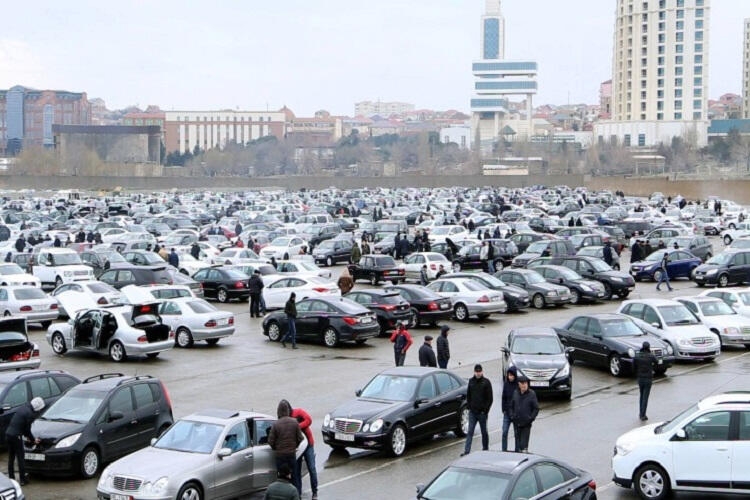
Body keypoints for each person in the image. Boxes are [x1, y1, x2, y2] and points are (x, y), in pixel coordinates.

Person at [280, 401, 318, 499]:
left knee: (312, 469)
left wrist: (297, 426)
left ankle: (315, 492)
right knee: (296, 472)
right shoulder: (283, 419)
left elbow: (309, 420)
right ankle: (298, 494)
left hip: (308, 444)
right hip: (296, 448)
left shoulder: (298, 412)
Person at [268, 400, 305, 495]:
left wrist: (276, 448)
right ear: (288, 411)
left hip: (280, 456)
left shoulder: (276, 424)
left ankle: (282, 496)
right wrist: (294, 446)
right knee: (294, 477)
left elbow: (270, 441)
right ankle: (296, 496)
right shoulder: (294, 422)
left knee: (281, 479)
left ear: (278, 411)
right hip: (291, 454)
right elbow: (301, 438)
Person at [7, 397, 44, 485]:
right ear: (37, 408)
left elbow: (20, 425)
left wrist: (25, 435)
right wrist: (33, 440)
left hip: (8, 434)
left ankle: (11, 479)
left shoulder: (23, 408)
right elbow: (27, 430)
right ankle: (23, 480)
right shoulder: (30, 414)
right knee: (20, 458)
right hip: (16, 437)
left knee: (11, 458)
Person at [462, 364, 493, 456]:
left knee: (484, 432)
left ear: (482, 371)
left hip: (482, 413)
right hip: (473, 412)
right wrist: (470, 407)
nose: (478, 373)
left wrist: (485, 411)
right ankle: (467, 451)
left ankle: (485, 449)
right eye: (477, 371)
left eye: (479, 371)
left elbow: (490, 399)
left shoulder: (486, 382)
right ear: (474, 372)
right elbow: (469, 395)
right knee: (470, 431)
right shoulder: (471, 382)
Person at [511, 375, 539, 453]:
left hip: (526, 424)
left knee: (524, 446)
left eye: (525, 383)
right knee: (518, 445)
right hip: (517, 423)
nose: (524, 385)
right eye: (522, 383)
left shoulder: (531, 394)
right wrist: (512, 416)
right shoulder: (515, 393)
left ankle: (525, 457)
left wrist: (531, 418)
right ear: (519, 384)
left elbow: (536, 408)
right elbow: (511, 406)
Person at [633, 341, 658, 421]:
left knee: (641, 395)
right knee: (645, 397)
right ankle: (643, 415)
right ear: (648, 347)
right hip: (648, 378)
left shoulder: (637, 356)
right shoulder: (651, 356)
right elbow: (657, 362)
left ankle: (641, 412)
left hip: (640, 378)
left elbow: (634, 366)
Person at [501, 366, 518, 452]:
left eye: (511, 375)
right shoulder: (506, 384)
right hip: (507, 413)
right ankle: (504, 450)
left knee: (517, 434)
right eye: (509, 375)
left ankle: (517, 450)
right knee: (504, 432)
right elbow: (503, 397)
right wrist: (503, 409)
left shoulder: (518, 385)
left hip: (516, 414)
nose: (510, 377)